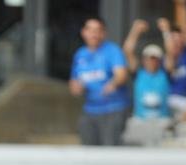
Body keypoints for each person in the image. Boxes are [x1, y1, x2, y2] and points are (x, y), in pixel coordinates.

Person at [70, 18, 129, 147]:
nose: (93, 34)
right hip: (90, 109)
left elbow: (122, 75)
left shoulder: (112, 51)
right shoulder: (80, 55)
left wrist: (112, 84)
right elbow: (74, 84)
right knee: (88, 150)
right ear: (83, 32)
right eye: (90, 30)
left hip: (113, 109)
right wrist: (77, 88)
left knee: (110, 151)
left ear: (103, 33)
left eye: (97, 30)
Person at [123, 20, 172, 120]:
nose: (151, 62)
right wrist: (135, 31)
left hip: (161, 120)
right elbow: (127, 51)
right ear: (143, 60)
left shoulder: (165, 74)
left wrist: (166, 31)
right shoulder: (138, 74)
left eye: (155, 59)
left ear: (159, 61)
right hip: (141, 120)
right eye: (149, 58)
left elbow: (171, 53)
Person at [166, 3, 186, 119]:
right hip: (171, 99)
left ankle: (180, 123)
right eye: (174, 39)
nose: (177, 42)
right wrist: (166, 32)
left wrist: (181, 6)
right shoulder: (167, 58)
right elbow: (170, 67)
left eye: (179, 39)